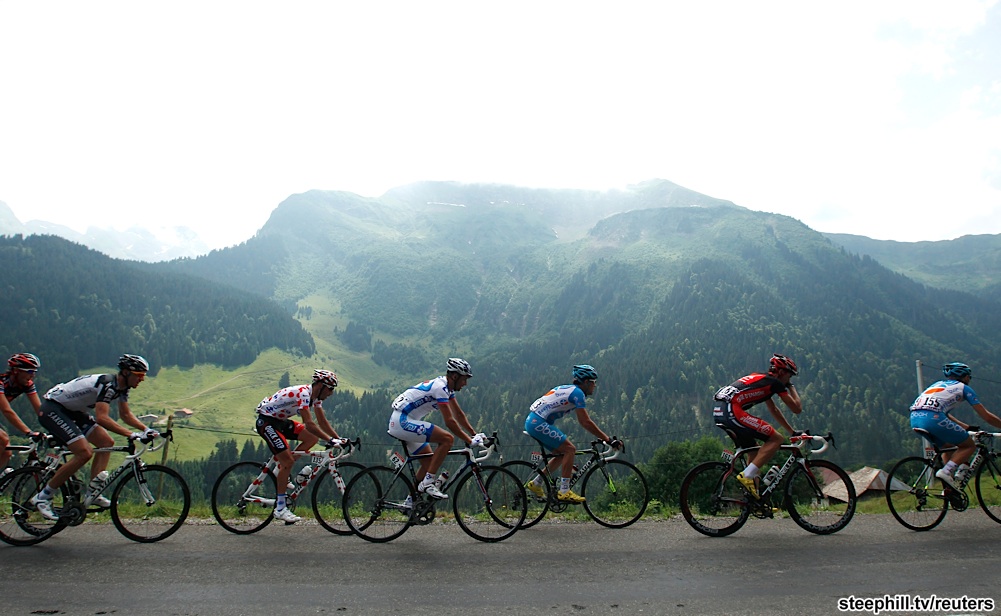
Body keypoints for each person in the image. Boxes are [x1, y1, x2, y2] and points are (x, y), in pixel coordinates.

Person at [30, 354, 158, 520]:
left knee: (106, 442)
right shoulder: (108, 385)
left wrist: (145, 429)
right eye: (139, 376)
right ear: (126, 373)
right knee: (84, 453)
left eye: (143, 376)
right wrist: (132, 434)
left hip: (72, 412)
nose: (141, 380)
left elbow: (125, 414)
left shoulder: (122, 387)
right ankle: (43, 497)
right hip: (53, 409)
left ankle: (93, 493)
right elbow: (102, 418)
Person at [255, 369, 346, 524]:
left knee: (311, 439)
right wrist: (330, 441)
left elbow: (322, 422)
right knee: (288, 462)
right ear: (320, 386)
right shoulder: (304, 394)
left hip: (280, 421)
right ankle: (280, 508)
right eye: (330, 389)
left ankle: (279, 469)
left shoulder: (315, 397)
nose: (331, 393)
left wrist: (339, 439)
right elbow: (309, 423)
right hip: (267, 422)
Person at [523, 364, 622, 504]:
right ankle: (564, 491)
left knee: (562, 453)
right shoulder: (578, 394)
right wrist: (607, 439)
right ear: (586, 382)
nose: (595, 386)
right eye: (593, 382)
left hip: (534, 421)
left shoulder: (570, 389)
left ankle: (536, 483)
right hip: (537, 423)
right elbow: (585, 422)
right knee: (570, 449)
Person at [388, 358, 485, 500]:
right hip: (401, 421)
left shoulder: (447, 388)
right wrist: (469, 441)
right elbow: (450, 421)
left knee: (429, 462)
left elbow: (458, 414)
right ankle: (428, 483)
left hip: (406, 420)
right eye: (464, 379)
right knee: (447, 439)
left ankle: (411, 501)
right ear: (455, 376)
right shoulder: (440, 388)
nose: (465, 383)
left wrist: (474, 434)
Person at [712, 354, 802, 499]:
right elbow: (797, 408)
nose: (789, 380)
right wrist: (791, 387)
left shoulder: (762, 379)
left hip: (721, 411)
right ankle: (747, 475)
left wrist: (792, 431)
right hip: (732, 411)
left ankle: (754, 499)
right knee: (776, 439)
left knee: (754, 453)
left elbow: (774, 410)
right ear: (782, 372)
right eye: (789, 376)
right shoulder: (775, 383)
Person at [910, 362, 1001, 489]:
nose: (969, 379)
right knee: (969, 446)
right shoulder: (964, 388)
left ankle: (949, 488)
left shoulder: (936, 385)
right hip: (933, 419)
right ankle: (946, 472)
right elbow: (985, 415)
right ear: (964, 376)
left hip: (915, 419)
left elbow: (942, 413)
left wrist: (966, 427)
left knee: (949, 447)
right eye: (969, 376)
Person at [1, 353, 44, 475]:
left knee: (7, 452)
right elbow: (6, 410)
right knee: (3, 438)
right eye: (30, 371)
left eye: (34, 372)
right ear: (16, 371)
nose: (33, 376)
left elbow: (40, 411)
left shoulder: (27, 384)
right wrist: (28, 432)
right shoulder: (1, 382)